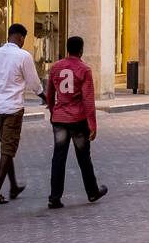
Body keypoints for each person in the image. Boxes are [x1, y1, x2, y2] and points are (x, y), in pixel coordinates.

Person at [0, 22, 45, 205]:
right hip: (12, 109)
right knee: (8, 150)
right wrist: (46, 98)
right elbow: (34, 83)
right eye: (24, 39)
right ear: (20, 37)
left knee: (6, 147)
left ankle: (13, 186)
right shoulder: (23, 56)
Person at [45, 35, 108, 209]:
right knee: (83, 157)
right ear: (81, 50)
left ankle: (54, 197)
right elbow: (88, 99)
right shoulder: (84, 70)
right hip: (77, 119)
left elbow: (49, 94)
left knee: (58, 157)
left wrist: (53, 112)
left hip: (60, 118)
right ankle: (92, 191)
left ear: (67, 49)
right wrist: (92, 124)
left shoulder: (56, 68)